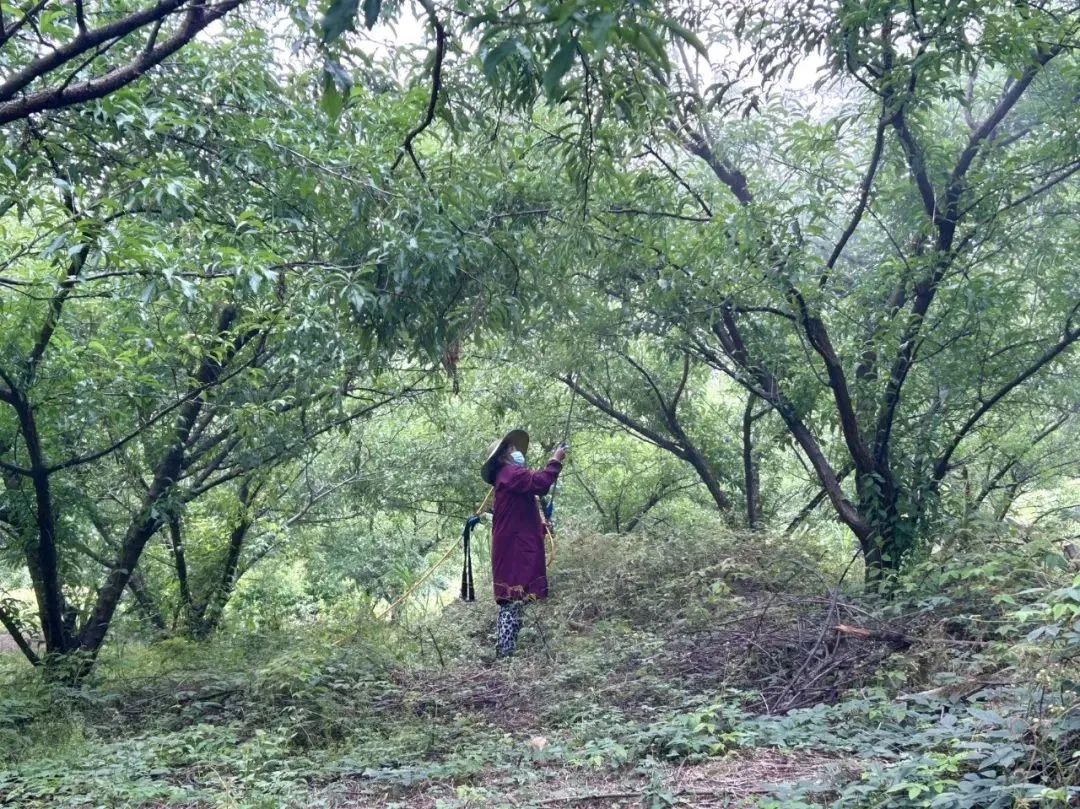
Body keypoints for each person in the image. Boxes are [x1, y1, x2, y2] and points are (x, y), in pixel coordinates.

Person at [480, 429, 567, 658]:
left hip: (513, 548)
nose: (516, 451)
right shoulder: (510, 474)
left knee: (517, 600)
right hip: (514, 551)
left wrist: (540, 527)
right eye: (511, 448)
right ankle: (505, 653)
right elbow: (541, 482)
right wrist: (555, 461)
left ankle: (509, 651)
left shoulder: (508, 478)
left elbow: (518, 518)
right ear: (503, 457)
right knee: (512, 600)